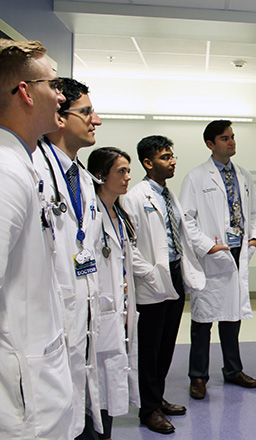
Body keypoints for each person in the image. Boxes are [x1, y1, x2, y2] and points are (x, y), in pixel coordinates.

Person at [0, 38, 73, 440]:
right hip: (21, 391)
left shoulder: (22, 163)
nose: (61, 95)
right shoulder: (5, 172)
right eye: (54, 84)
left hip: (36, 373)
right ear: (26, 92)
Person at [32, 77, 104, 439]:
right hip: (48, 321)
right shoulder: (34, 171)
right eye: (87, 112)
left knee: (81, 406)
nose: (97, 120)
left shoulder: (85, 180)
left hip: (81, 312)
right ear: (61, 118)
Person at [121, 135, 205, 434]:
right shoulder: (134, 197)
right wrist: (150, 273)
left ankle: (157, 399)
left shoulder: (169, 195)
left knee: (167, 344)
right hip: (151, 283)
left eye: (172, 157)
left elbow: (181, 234)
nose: (172, 162)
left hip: (174, 275)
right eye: (165, 157)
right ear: (148, 162)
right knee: (150, 348)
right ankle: (148, 409)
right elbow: (127, 246)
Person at [180, 119, 256, 399]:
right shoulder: (196, 177)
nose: (232, 142)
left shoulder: (243, 175)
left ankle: (233, 370)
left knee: (233, 315)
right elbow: (186, 220)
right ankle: (198, 376)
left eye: (233, 137)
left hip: (238, 251)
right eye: (225, 138)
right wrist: (208, 247)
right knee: (203, 320)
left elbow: (255, 212)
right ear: (210, 144)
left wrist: (255, 238)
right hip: (213, 254)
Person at [88, 147, 140, 440]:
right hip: (101, 312)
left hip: (119, 311)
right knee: (97, 387)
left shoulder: (119, 213)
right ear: (100, 175)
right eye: (121, 171)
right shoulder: (91, 213)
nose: (127, 177)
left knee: (110, 383)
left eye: (128, 171)